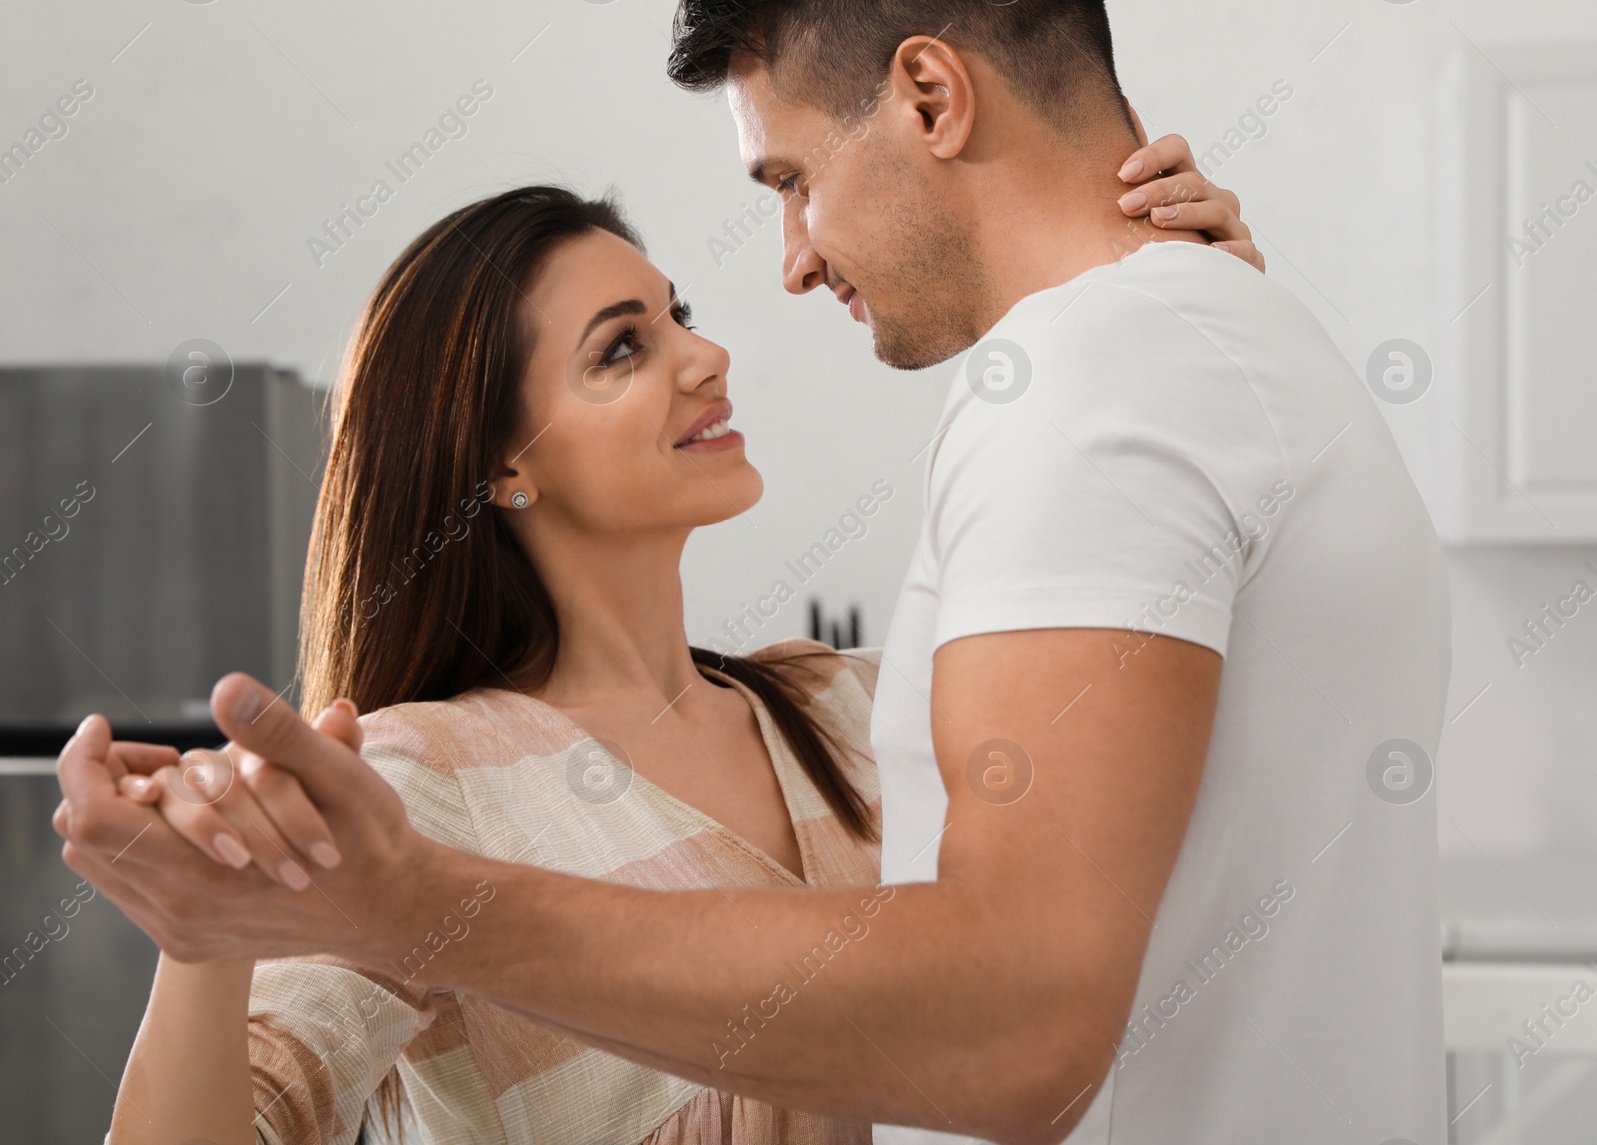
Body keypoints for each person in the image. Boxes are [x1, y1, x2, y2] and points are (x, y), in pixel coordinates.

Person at [56, 1, 1452, 1142]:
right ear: (498, 467)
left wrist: (1173, 334)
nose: (742, 317)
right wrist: (210, 928)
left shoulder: (842, 707)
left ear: (929, 96)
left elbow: (1025, 994)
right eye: (620, 346)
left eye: (785, 184)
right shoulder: (415, 785)